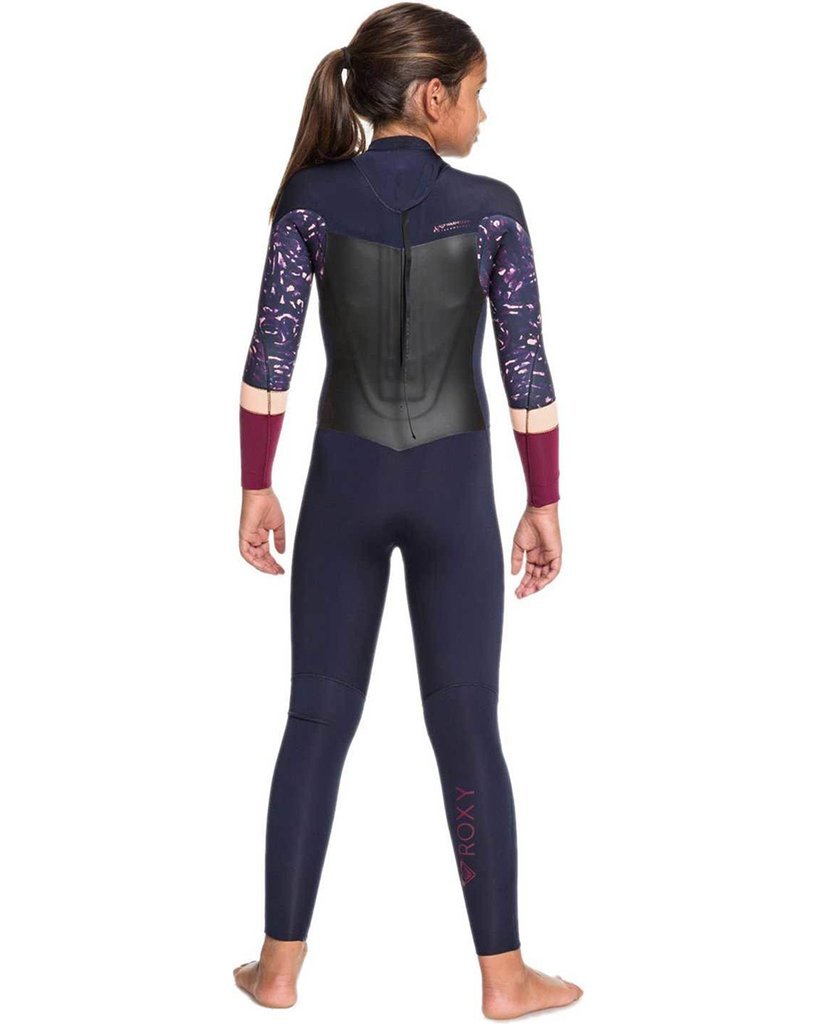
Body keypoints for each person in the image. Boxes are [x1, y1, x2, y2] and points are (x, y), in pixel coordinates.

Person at [233, 3, 582, 1017]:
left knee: (315, 718)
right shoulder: (491, 208)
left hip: (341, 485)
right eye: (477, 93)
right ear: (433, 98)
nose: (484, 113)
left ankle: (278, 970)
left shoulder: (309, 199)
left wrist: (256, 482)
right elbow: (526, 370)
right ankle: (504, 978)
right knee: (467, 722)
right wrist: (544, 498)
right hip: (452, 490)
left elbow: (268, 361)